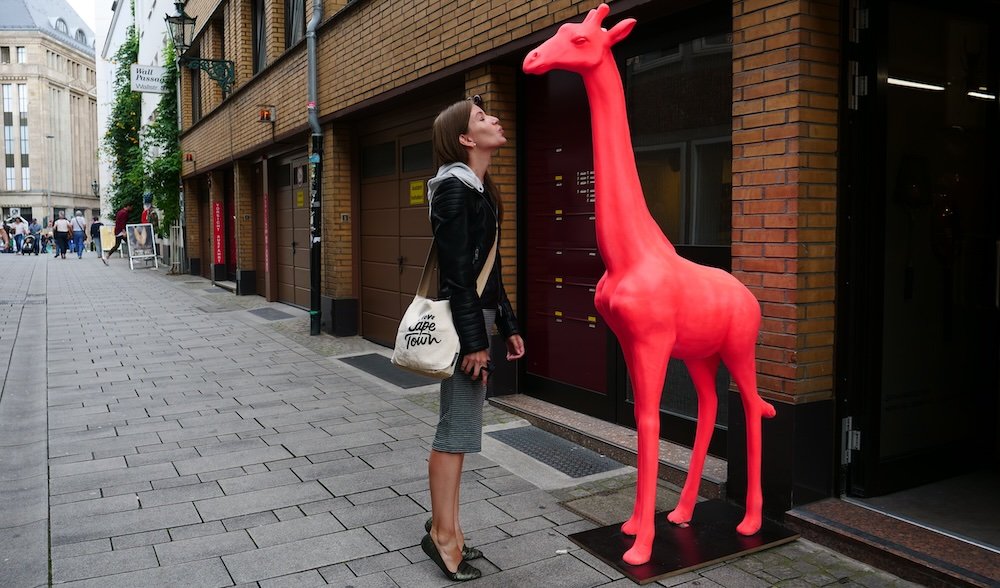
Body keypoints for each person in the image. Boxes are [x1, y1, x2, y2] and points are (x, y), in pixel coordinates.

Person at [420, 96, 525, 582]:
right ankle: (443, 536)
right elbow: (458, 277)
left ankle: (450, 529)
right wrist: (475, 342)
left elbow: (490, 271)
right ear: (465, 139)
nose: (495, 121)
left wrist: (507, 324)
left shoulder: (479, 189)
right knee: (456, 429)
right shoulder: (453, 190)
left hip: (478, 322)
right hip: (466, 326)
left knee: (460, 429)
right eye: (483, 119)